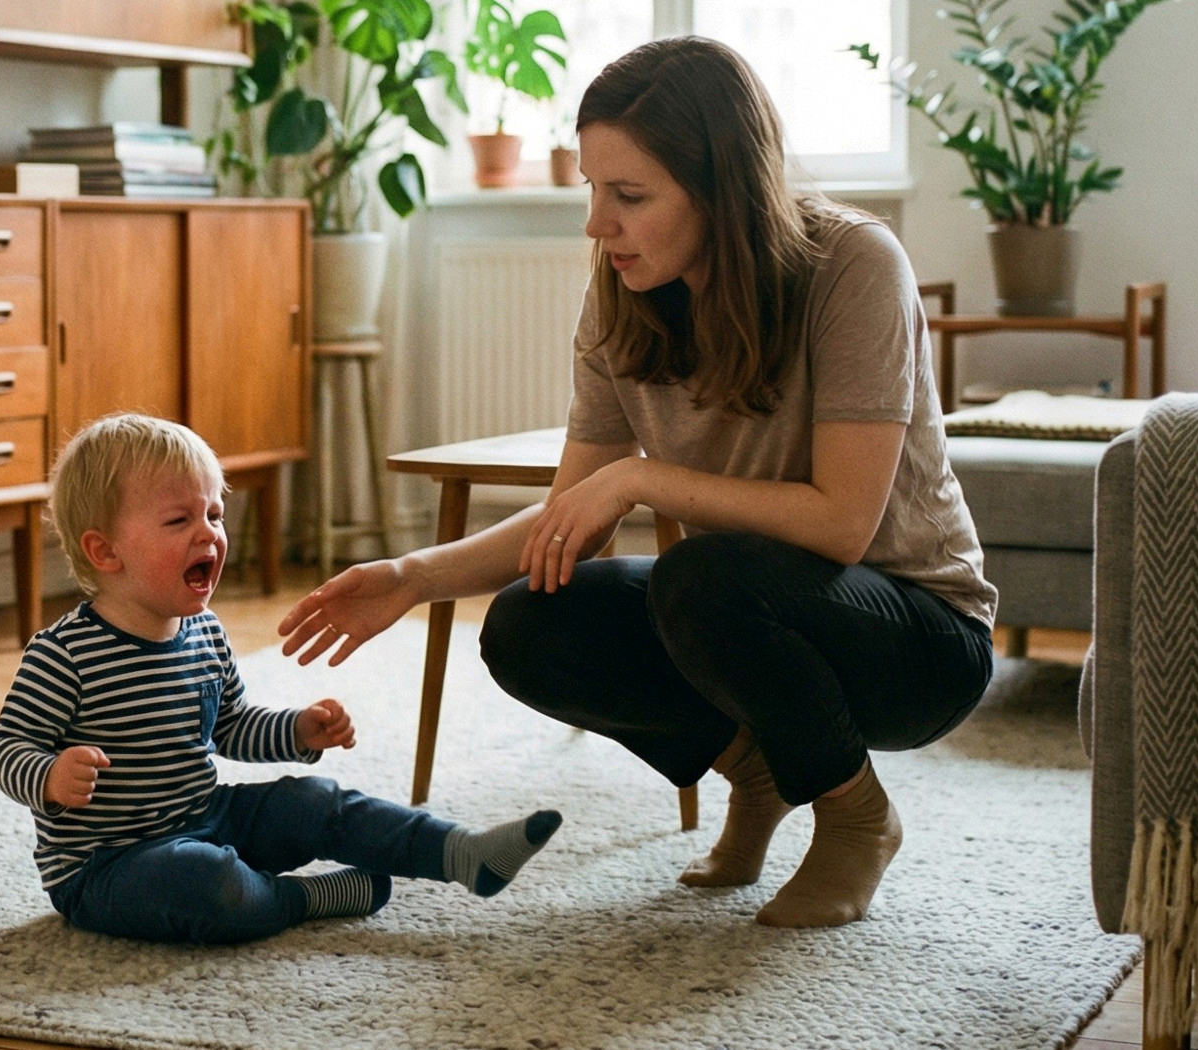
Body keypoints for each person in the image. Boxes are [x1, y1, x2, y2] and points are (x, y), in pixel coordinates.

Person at [278, 37, 997, 930]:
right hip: (752, 611)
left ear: (724, 189)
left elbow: (844, 525)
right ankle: (759, 767)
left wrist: (645, 478)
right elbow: (567, 523)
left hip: (917, 637)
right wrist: (412, 577)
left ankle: (858, 817)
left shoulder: (852, 265)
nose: (596, 223)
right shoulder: (621, 301)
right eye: (592, 188)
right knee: (533, 618)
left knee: (705, 575)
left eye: (630, 196)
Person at [0, 413, 563, 945]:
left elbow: (232, 726)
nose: (209, 533)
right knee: (205, 883)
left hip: (207, 814)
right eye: (179, 519)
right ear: (104, 552)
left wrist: (296, 731)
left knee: (313, 802)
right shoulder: (63, 654)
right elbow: (5, 747)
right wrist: (49, 775)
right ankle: (302, 898)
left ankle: (463, 854)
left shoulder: (204, 633)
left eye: (214, 513)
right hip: (108, 866)